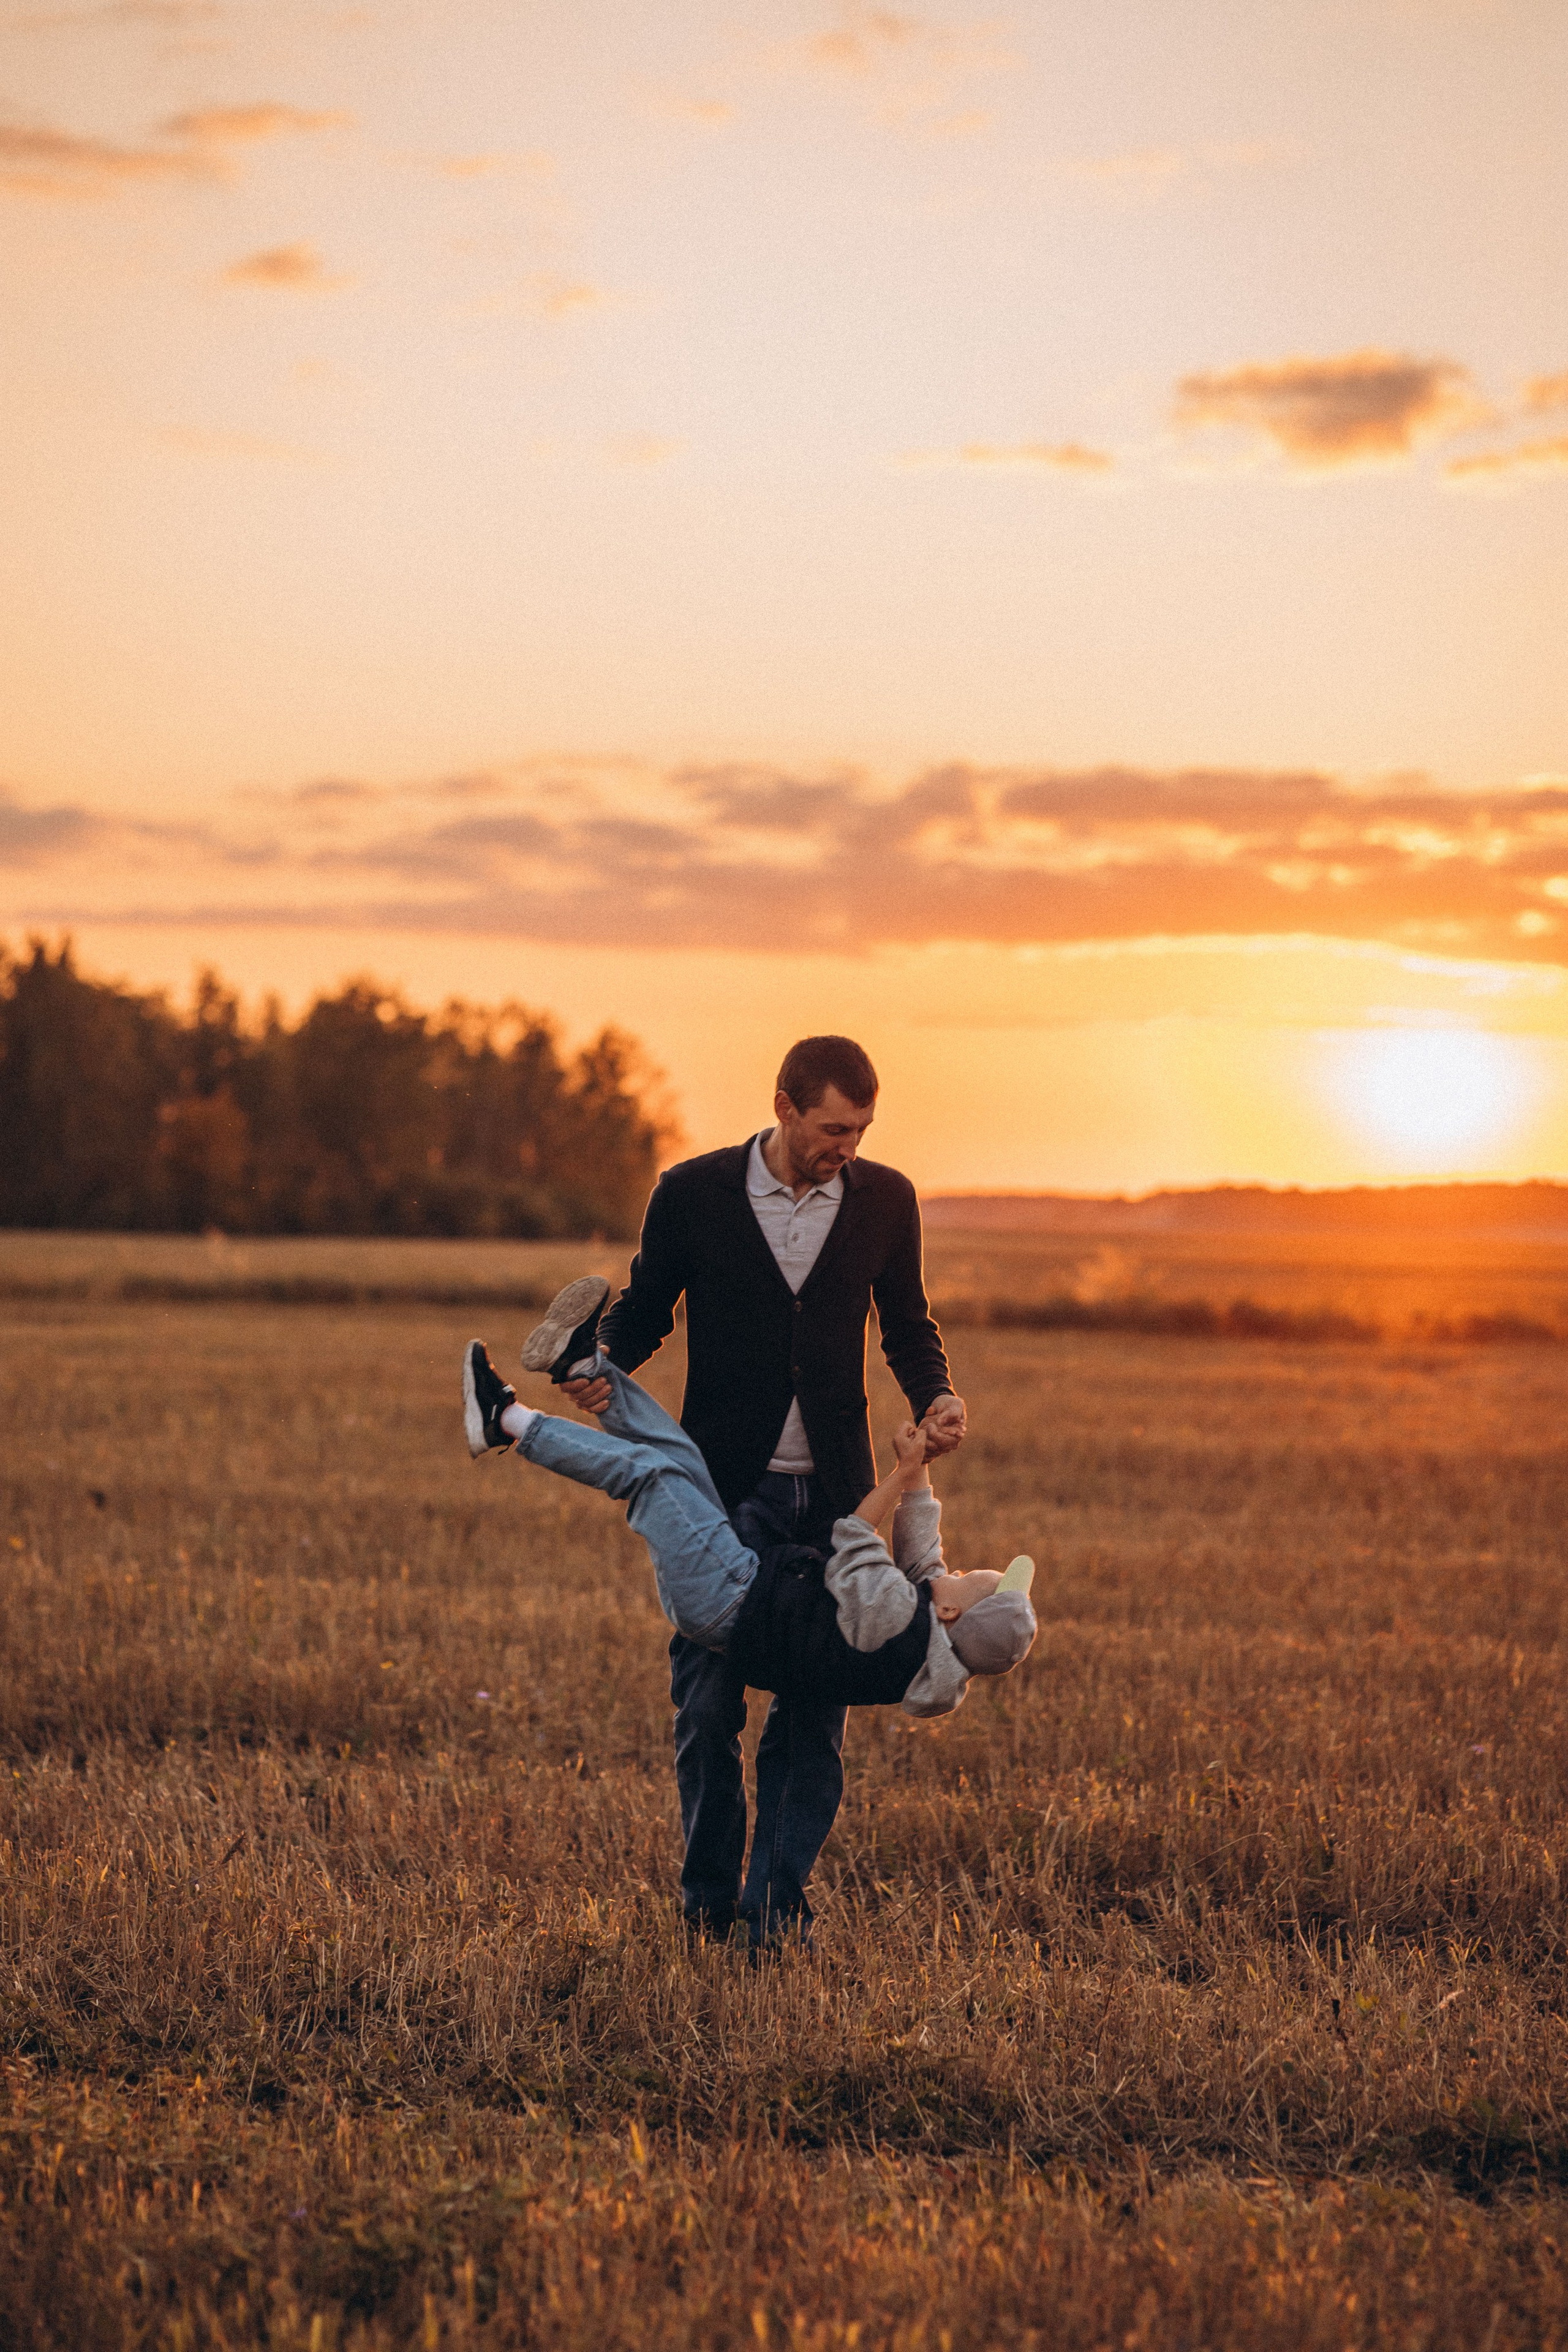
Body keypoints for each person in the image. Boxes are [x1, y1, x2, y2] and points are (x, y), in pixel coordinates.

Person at [514, 1037, 967, 1950]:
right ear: (786, 1108)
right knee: (708, 1707)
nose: (849, 1146)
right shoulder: (692, 1193)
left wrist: (938, 1397)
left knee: (812, 1722)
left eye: (863, 1130)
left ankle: (774, 1914)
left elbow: (909, 1325)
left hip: (841, 1506)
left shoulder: (886, 1200)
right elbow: (647, 1309)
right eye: (835, 1128)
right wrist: (605, 1368)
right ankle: (710, 1906)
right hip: (728, 1495)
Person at [462, 1331, 1035, 1730]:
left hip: (726, 1598)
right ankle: (584, 1367)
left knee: (655, 1476)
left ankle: (507, 1422)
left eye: (965, 1579)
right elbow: (923, 1551)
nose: (952, 1570)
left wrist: (903, 1470)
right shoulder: (926, 1632)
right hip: (740, 1587)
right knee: (681, 1458)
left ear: (954, 1614)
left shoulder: (894, 1622)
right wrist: (922, 1468)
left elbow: (854, 1536)